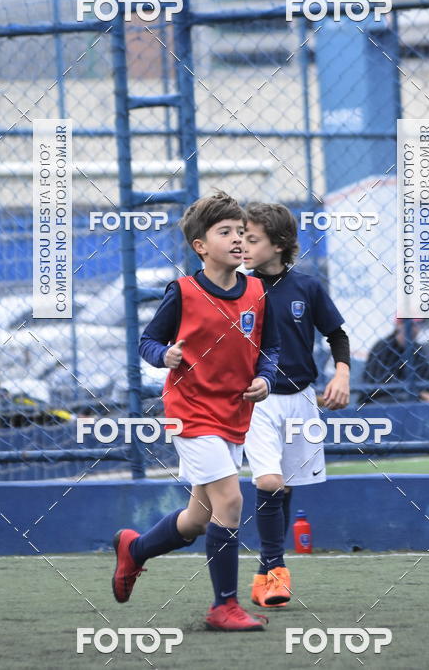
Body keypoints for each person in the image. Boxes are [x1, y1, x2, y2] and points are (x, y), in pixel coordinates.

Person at [111, 191, 279, 632]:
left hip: (234, 415)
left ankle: (135, 549)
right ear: (200, 246)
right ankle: (223, 607)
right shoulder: (183, 292)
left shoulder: (258, 291)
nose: (238, 239)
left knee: (198, 518)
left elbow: (270, 348)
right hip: (190, 413)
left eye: (242, 232)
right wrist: (163, 355)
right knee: (231, 499)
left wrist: (266, 378)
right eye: (225, 232)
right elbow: (147, 341)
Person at [242, 202, 350, 609]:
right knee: (268, 482)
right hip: (258, 401)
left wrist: (341, 374)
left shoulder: (307, 288)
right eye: (242, 238)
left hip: (302, 399)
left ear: (281, 244)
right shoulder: (240, 288)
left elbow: (336, 333)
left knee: (284, 488)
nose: (244, 245)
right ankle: (277, 572)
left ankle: (263, 574)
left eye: (253, 239)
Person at [363, 318, 429, 402]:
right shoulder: (383, 347)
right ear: (398, 325)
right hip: (379, 399)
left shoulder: (417, 349)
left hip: (411, 397)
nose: (414, 329)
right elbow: (383, 384)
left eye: (418, 325)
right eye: (411, 325)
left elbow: (426, 377)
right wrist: (421, 394)